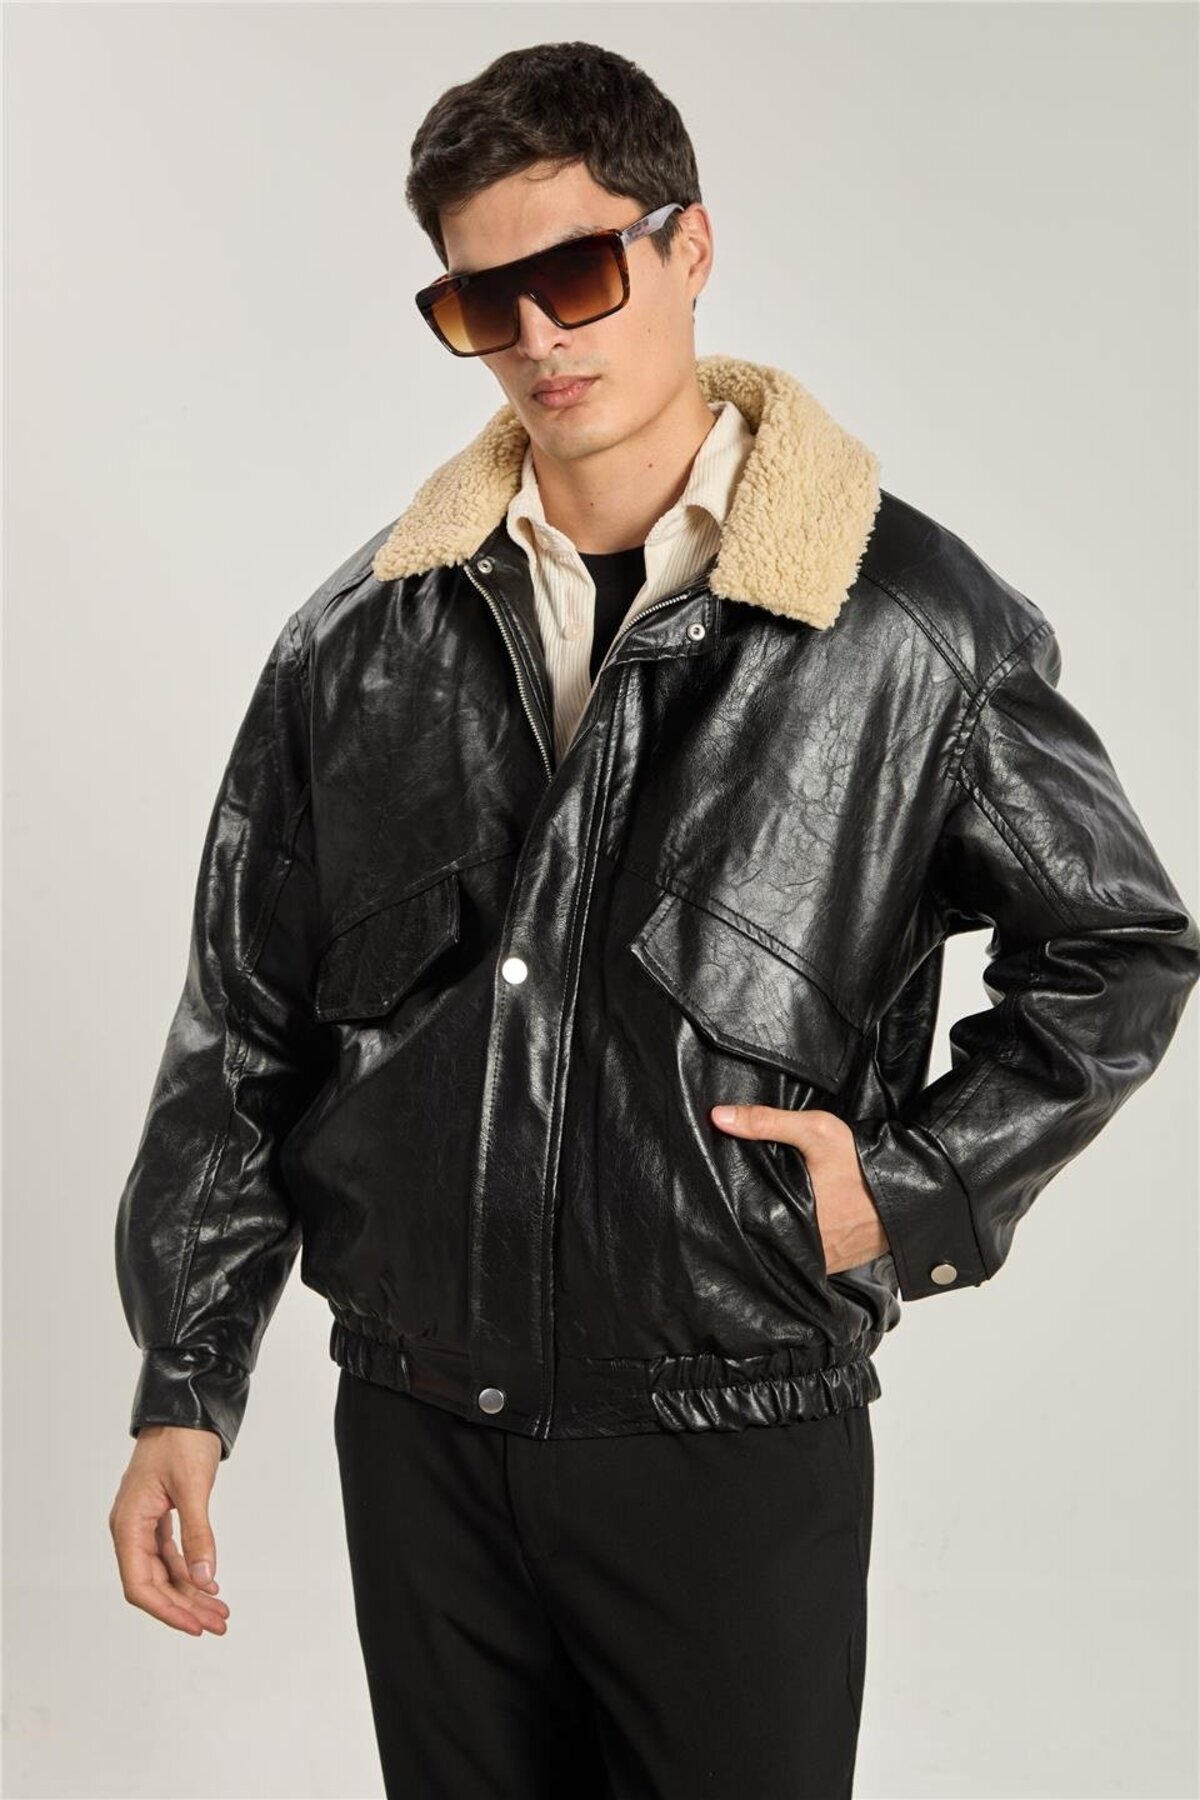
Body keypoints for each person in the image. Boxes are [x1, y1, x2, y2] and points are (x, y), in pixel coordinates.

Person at [108, 39, 1200, 1800]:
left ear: (690, 247)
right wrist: (185, 1379)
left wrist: (910, 1189)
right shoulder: (358, 643)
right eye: (485, 301)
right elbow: (243, 1024)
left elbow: (1120, 949)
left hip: (731, 1431)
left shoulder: (905, 627)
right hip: (419, 1437)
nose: (540, 335)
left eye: (580, 272)